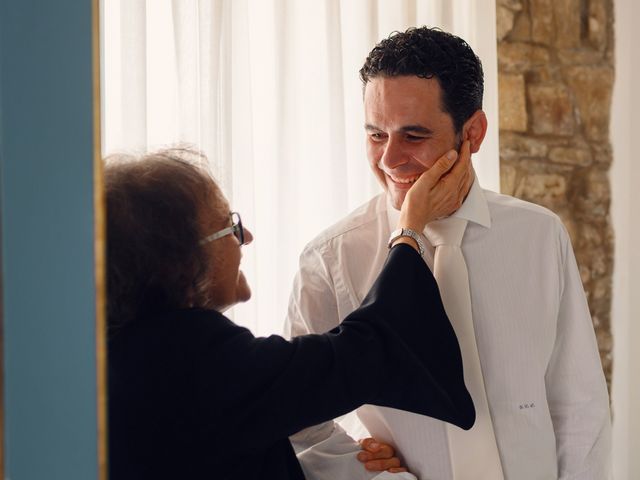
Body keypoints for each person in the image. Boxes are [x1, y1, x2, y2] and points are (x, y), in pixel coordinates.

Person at [285, 27, 612, 480]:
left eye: (413, 136)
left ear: (472, 132)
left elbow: (578, 404)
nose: (388, 159)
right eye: (377, 134)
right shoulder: (329, 260)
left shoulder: (539, 234)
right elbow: (300, 419)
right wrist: (368, 471)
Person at [105, 147, 476, 480]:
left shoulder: (120, 352)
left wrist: (350, 460)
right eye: (229, 226)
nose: (246, 236)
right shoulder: (190, 358)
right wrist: (408, 230)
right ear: (181, 261)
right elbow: (367, 351)